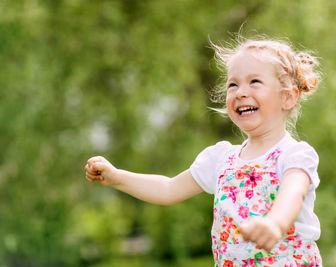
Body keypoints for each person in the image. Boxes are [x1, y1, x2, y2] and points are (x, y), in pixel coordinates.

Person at [85, 35, 323, 266]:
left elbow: (293, 193)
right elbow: (168, 189)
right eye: (233, 84)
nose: (240, 92)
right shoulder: (220, 159)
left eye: (255, 82)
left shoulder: (294, 155)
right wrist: (117, 177)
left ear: (288, 97)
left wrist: (274, 223)